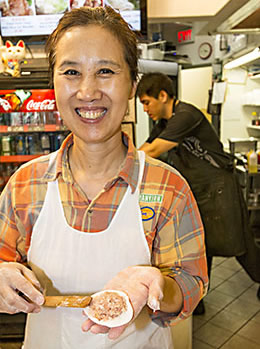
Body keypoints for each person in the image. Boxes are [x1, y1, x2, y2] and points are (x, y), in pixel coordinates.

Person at [0, 6, 208, 349]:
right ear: (53, 83)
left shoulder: (168, 187)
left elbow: (192, 283)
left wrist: (159, 285)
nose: (87, 91)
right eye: (71, 72)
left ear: (131, 85)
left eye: (106, 71)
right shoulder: (25, 184)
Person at [136, 72, 248, 315]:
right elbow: (145, 147)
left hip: (220, 187)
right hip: (200, 190)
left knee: (239, 242)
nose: (145, 109)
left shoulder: (186, 115)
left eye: (146, 102)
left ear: (163, 96)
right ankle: (197, 298)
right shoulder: (163, 124)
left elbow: (154, 149)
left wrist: (121, 166)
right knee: (200, 245)